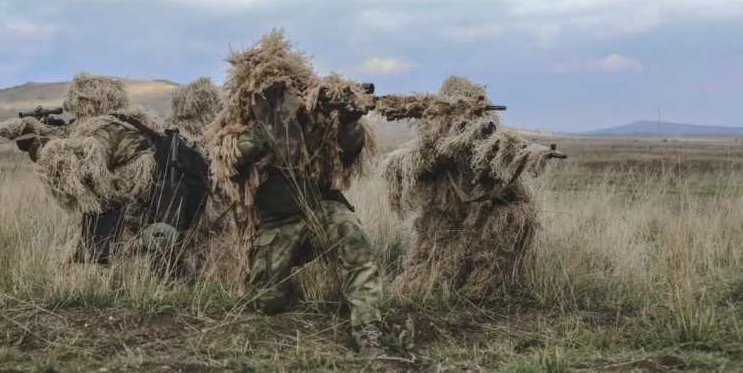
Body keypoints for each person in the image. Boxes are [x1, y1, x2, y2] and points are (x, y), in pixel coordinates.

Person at [204, 29, 387, 356]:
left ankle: (367, 328)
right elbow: (227, 157)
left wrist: (348, 123)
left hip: (321, 208)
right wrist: (272, 126)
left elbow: (346, 153)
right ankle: (294, 288)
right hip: (278, 222)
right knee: (267, 302)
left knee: (354, 237)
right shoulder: (241, 119)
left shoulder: (314, 116)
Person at [379, 75, 567, 300]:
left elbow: (510, 159)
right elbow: (399, 166)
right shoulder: (430, 146)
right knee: (427, 281)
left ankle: (482, 293)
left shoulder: (491, 140)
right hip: (445, 226)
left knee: (509, 225)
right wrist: (436, 161)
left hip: (484, 222)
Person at [23, 72, 211, 272]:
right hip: (149, 207)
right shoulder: (132, 123)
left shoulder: (107, 130)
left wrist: (40, 147)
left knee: (83, 262)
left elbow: (75, 170)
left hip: (134, 212)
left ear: (87, 104)